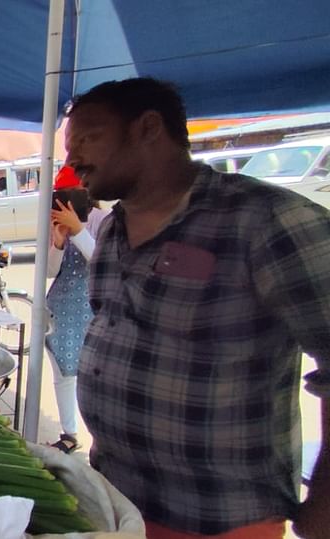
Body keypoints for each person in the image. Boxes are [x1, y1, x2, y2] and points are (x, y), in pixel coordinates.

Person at [66, 77, 328, 539]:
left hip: (220, 519)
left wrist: (325, 506)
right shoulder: (111, 231)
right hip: (116, 501)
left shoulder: (266, 220)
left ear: (148, 127)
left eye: (87, 138)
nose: (72, 159)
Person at [42, 166, 110, 454]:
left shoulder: (102, 220)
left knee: (95, 375)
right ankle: (69, 432)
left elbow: (101, 260)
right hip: (61, 306)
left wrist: (79, 230)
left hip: (91, 308)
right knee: (63, 373)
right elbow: (48, 271)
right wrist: (57, 243)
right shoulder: (55, 224)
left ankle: (103, 436)